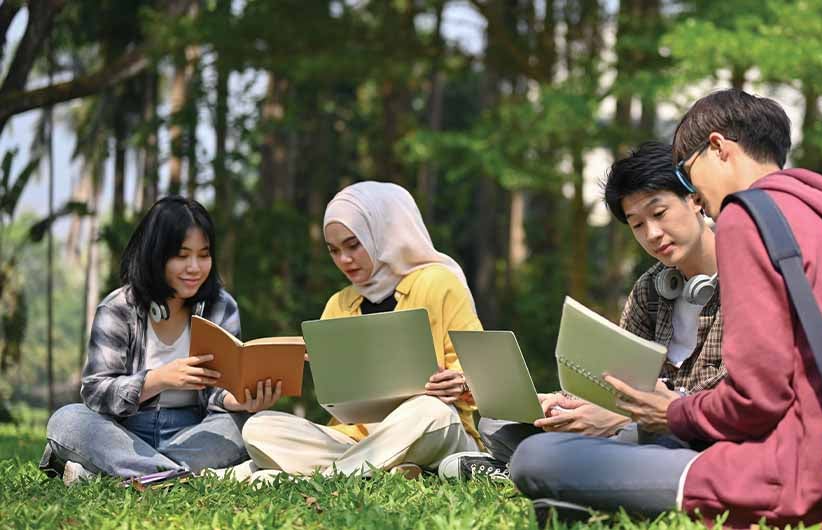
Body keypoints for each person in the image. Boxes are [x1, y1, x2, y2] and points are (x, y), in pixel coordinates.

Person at [510, 89, 822, 527]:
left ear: (718, 147)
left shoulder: (746, 217)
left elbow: (758, 399)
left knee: (537, 458)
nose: (697, 195)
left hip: (800, 471)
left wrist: (671, 413)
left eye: (688, 176)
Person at [439, 141, 726, 480]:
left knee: (652, 436)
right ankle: (545, 465)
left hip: (693, 431)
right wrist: (553, 403)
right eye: (636, 224)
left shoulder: (748, 274)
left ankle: (530, 467)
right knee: (498, 421)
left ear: (694, 199)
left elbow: (733, 403)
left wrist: (623, 417)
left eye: (659, 213)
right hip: (632, 429)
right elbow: (614, 382)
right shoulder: (650, 290)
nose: (652, 234)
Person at [238, 181, 482, 480]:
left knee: (430, 412)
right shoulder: (339, 304)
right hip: (357, 438)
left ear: (384, 233)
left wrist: (459, 381)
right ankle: (386, 469)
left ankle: (326, 477)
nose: (344, 260)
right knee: (259, 428)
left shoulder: (438, 282)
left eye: (353, 245)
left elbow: (485, 375)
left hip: (434, 428)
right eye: (334, 250)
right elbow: (338, 404)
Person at [40, 196, 278, 485]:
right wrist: (158, 379)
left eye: (203, 255)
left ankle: (124, 474)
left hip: (194, 431)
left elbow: (218, 390)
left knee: (243, 425)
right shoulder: (118, 308)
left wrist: (240, 399)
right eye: (181, 255)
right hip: (124, 434)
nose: (194, 267)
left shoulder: (221, 306)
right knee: (67, 420)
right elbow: (95, 392)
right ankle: (173, 475)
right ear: (155, 254)